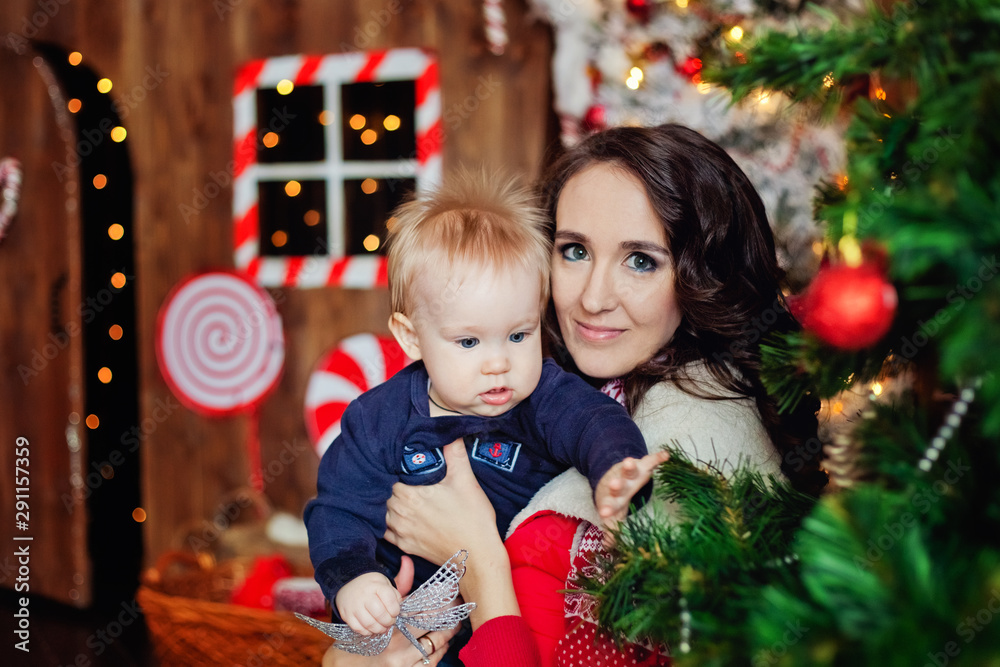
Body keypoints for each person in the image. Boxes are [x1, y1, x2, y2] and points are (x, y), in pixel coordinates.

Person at [332, 123, 825, 667]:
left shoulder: (698, 445)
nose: (592, 298)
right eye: (573, 251)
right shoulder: (529, 378)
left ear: (701, 275)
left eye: (641, 260)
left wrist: (475, 556)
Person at [303, 171, 668, 646]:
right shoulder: (378, 419)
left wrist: (616, 469)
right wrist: (352, 578)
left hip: (511, 615)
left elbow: (593, 421)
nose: (499, 363)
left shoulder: (543, 396)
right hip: (408, 619)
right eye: (469, 341)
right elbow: (338, 508)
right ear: (411, 337)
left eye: (519, 335)